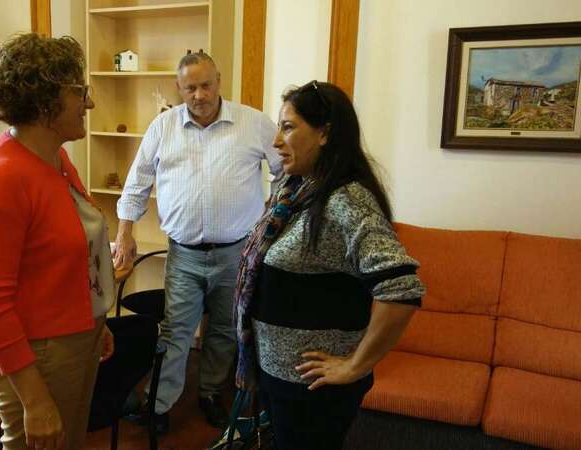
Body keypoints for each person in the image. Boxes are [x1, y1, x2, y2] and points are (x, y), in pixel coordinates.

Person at [233, 80, 425, 450]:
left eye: (288, 127)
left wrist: (355, 365)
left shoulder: (345, 200)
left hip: (312, 391)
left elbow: (402, 289)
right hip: (281, 378)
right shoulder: (296, 192)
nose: (275, 141)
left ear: (324, 133)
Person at [114, 51, 283, 431]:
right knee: (175, 330)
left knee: (224, 328)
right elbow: (137, 182)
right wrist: (124, 232)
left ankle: (209, 392)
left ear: (219, 81)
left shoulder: (252, 123)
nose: (199, 94)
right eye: (190, 87)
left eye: (206, 85)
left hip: (235, 253)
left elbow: (285, 170)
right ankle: (158, 406)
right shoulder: (163, 127)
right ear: (179, 88)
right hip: (184, 254)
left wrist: (274, 219)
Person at [0, 34, 115, 450]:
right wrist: (33, 398)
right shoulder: (1, 179)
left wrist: (93, 319)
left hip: (72, 339)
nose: (89, 103)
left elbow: (66, 256)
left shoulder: (55, 159)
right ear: (46, 102)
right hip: (39, 356)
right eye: (79, 92)